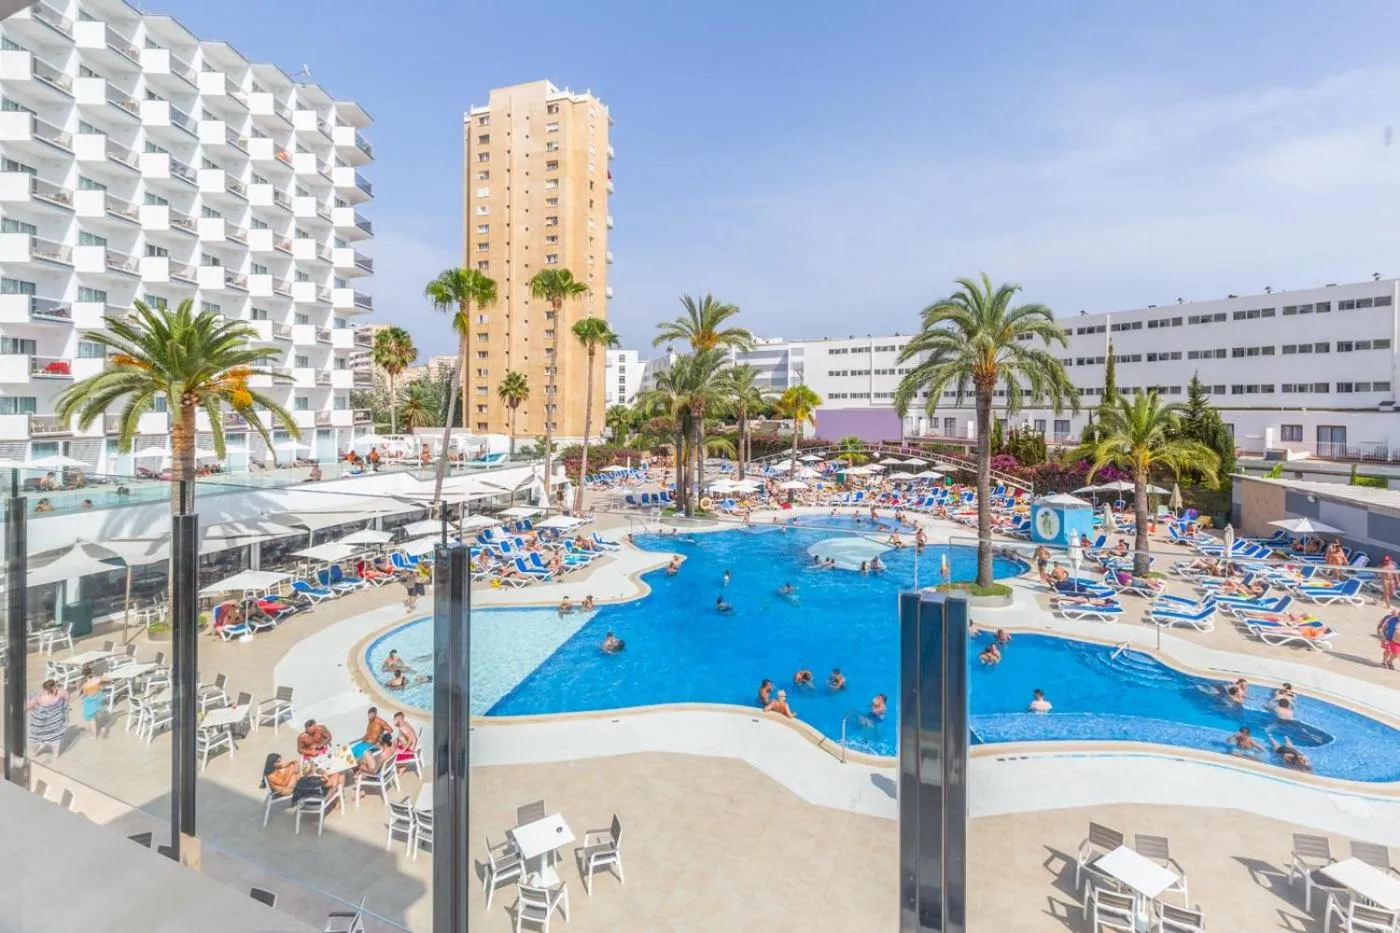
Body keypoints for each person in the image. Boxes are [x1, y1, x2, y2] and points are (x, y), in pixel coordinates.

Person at [25, 679, 68, 758]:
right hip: (56, 721)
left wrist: (33, 706)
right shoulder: (61, 693)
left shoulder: (40, 698)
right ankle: (55, 755)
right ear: (55, 686)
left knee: (39, 738)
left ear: (45, 689)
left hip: (43, 724)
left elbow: (28, 707)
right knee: (55, 739)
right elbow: (67, 698)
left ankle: (36, 751)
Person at [76, 665, 106, 737]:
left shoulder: (85, 685)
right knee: (96, 714)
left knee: (92, 719)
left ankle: (94, 736)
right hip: (98, 697)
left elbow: (85, 694)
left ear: (84, 675)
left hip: (90, 701)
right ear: (91, 672)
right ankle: (102, 729)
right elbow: (106, 680)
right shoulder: (97, 679)